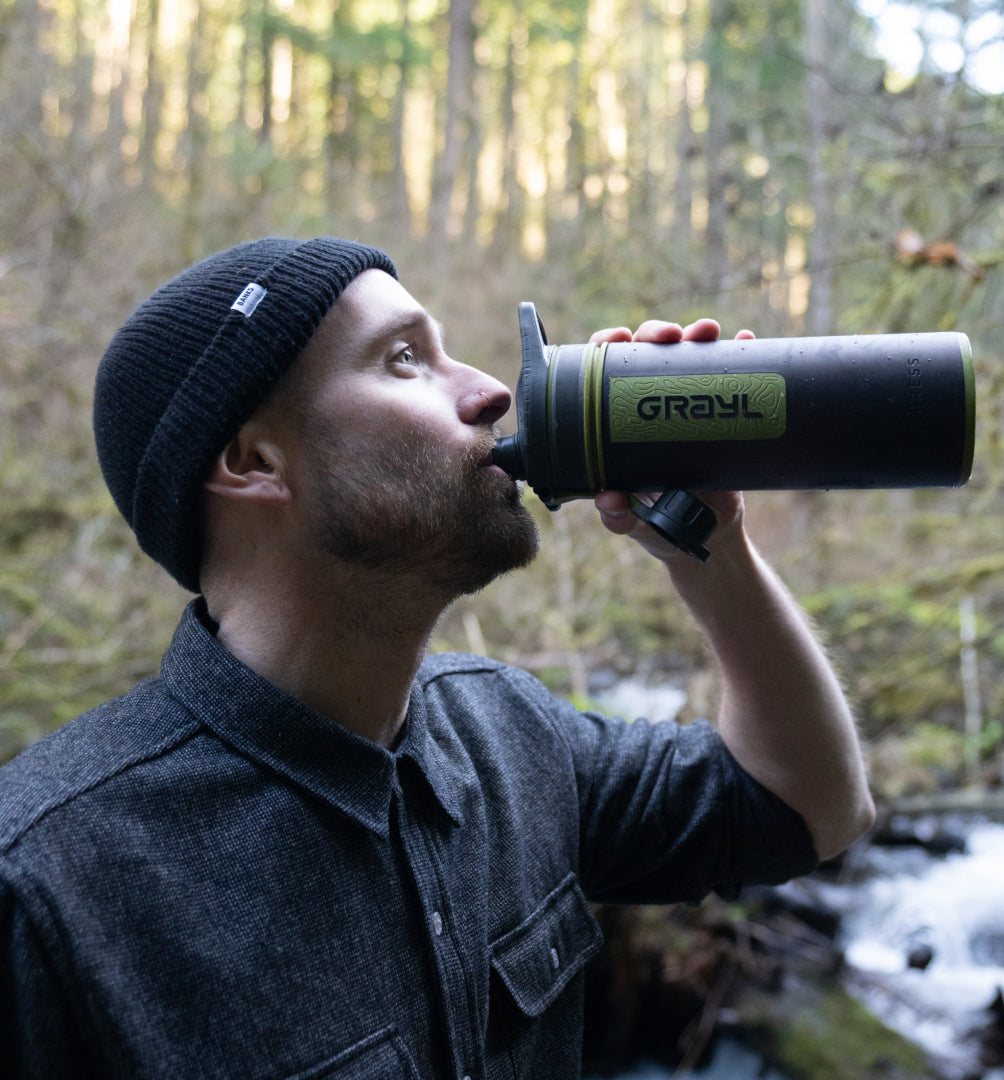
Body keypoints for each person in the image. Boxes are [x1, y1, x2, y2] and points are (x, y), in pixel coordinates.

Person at [0, 237, 874, 1079]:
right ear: (254, 460)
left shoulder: (514, 736)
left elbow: (811, 805)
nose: (493, 390)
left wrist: (708, 546)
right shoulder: (49, 884)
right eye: (405, 359)